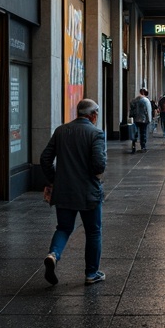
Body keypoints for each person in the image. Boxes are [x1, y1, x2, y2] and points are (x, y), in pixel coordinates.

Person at [41, 98, 107, 285]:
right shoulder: (96, 133)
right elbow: (99, 165)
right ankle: (91, 273)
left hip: (64, 191)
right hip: (88, 192)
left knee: (63, 228)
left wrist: (54, 179)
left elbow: (45, 158)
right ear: (93, 115)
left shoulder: (61, 131)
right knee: (93, 231)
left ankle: (53, 255)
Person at [128, 87, 152, 152]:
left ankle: (134, 145)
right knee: (143, 133)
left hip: (135, 119)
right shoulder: (146, 101)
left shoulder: (134, 100)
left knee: (135, 133)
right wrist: (149, 119)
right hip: (144, 120)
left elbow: (131, 110)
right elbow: (148, 110)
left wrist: (130, 117)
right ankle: (143, 146)